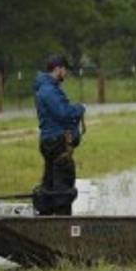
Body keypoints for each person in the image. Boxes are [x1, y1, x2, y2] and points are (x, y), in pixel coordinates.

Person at [33, 54, 85, 215]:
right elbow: (63, 113)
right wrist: (79, 109)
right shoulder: (49, 90)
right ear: (58, 69)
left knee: (49, 183)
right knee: (63, 185)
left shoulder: (47, 88)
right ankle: (62, 225)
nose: (66, 73)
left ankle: (46, 219)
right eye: (65, 70)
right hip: (58, 143)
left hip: (50, 141)